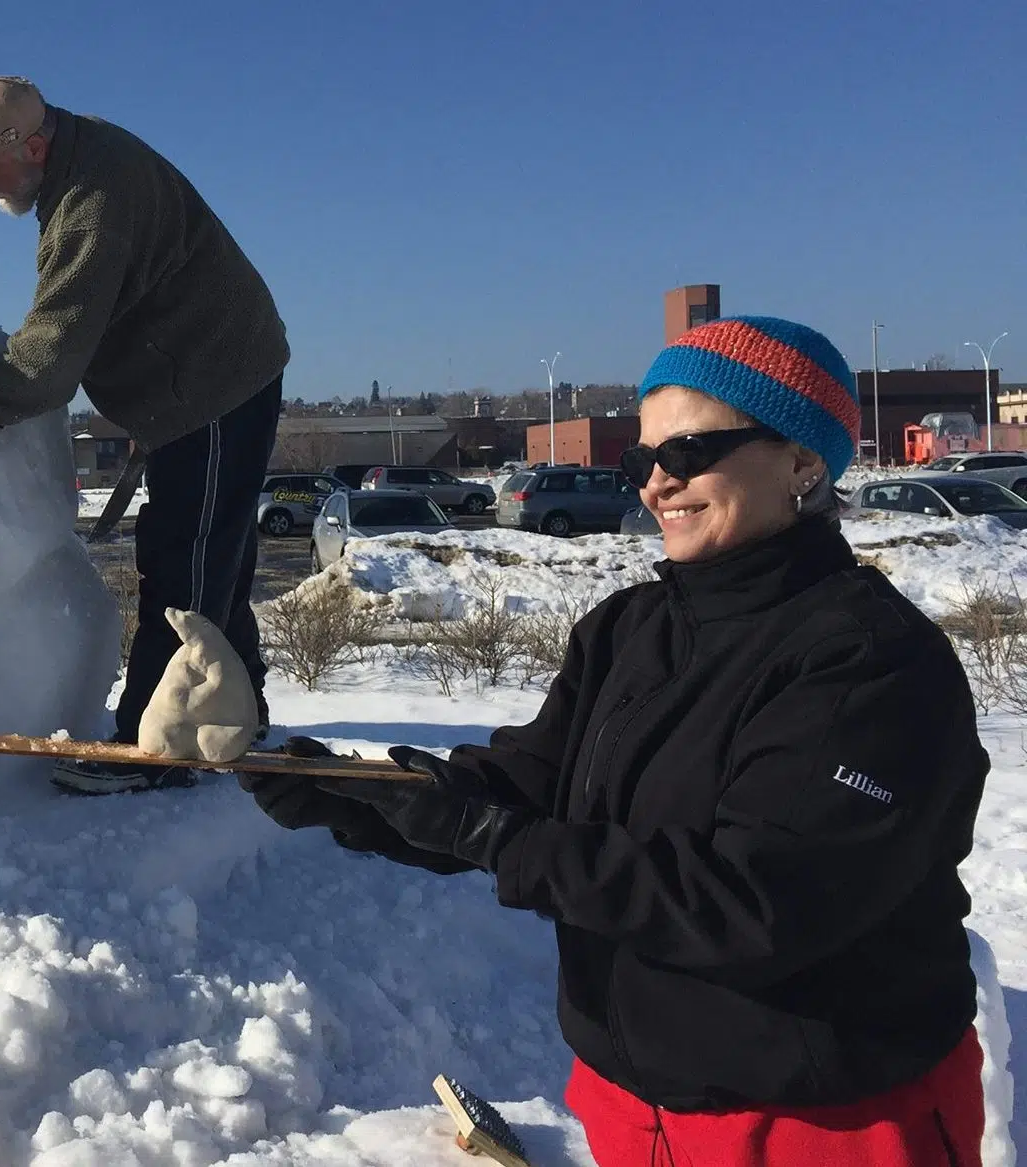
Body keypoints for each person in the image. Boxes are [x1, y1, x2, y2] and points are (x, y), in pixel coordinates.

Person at [245, 317, 989, 1165]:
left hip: (822, 1125)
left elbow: (755, 905)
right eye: (642, 460)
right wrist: (359, 796)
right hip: (635, 1112)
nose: (656, 485)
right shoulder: (628, 630)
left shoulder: (869, 663)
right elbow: (527, 785)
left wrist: (492, 837)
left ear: (800, 459)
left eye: (690, 451)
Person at [0, 76, 289, 795]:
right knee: (215, 549)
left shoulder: (92, 203)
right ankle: (235, 711)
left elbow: (43, 368)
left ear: (31, 145)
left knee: (184, 564)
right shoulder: (74, 158)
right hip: (193, 383)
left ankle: (158, 749)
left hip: (216, 382)